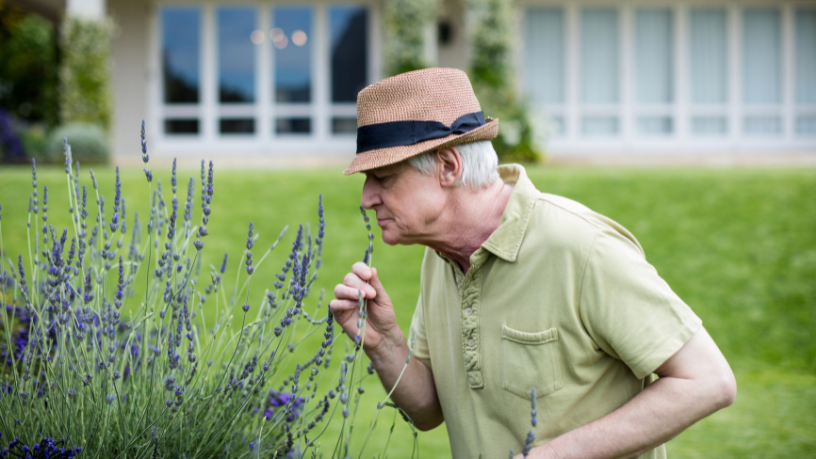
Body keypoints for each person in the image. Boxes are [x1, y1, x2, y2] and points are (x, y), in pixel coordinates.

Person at [330, 68, 736, 459]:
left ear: (449, 167)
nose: (367, 198)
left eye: (383, 178)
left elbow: (708, 380)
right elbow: (428, 410)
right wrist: (385, 344)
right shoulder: (440, 256)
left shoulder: (580, 245)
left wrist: (558, 455)